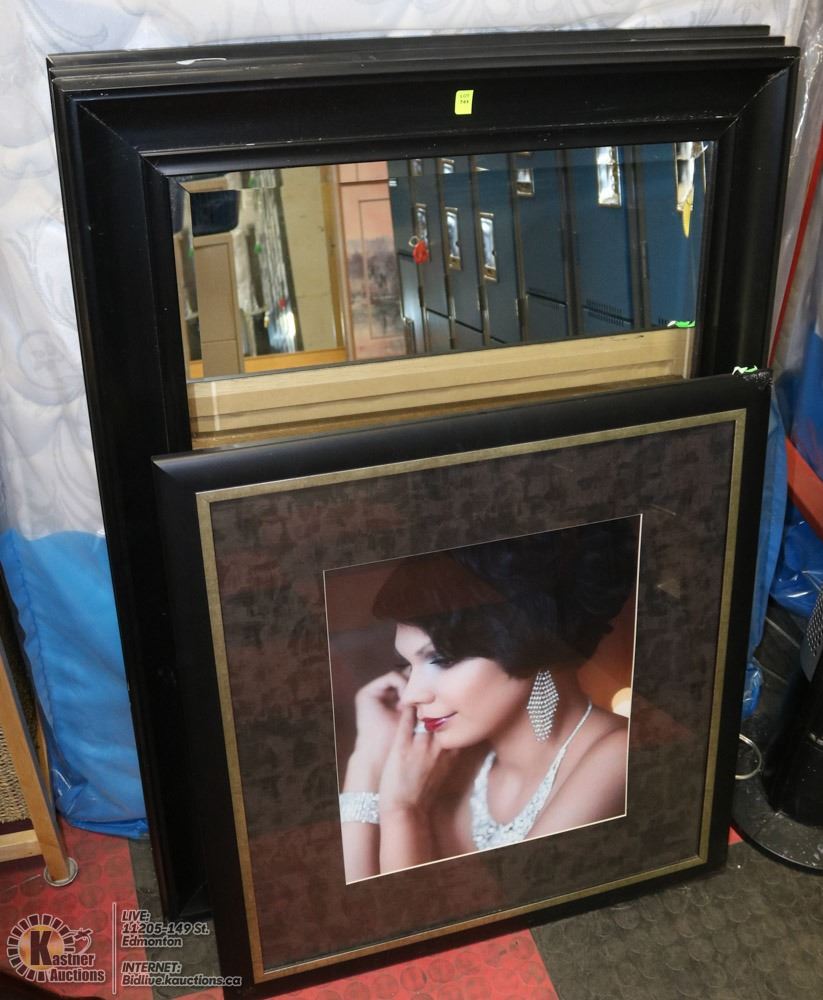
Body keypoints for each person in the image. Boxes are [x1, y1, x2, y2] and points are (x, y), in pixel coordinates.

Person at [337, 519, 638, 882]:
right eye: (407, 665)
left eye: (441, 659)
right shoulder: (443, 765)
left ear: (530, 643)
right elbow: (359, 906)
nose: (413, 695)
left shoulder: (618, 757)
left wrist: (402, 812)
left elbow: (408, 916)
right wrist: (366, 760)